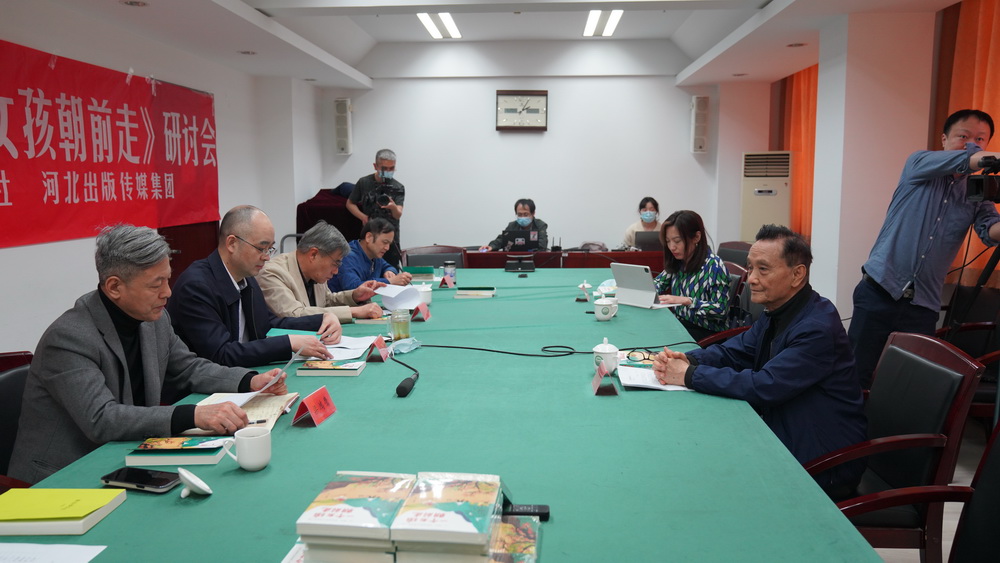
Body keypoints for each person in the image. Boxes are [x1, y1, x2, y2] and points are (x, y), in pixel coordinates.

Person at [8, 225, 288, 484]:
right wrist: (193, 415)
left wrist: (250, 380)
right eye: (156, 285)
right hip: (62, 477)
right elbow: (102, 419)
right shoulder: (69, 337)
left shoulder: (154, 319)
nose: (167, 293)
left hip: (128, 455)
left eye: (167, 279)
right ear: (114, 287)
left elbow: (189, 368)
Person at [651, 224, 867, 498]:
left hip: (822, 460)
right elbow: (735, 352)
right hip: (784, 429)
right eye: (750, 268)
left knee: (704, 475)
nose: (751, 279)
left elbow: (766, 385)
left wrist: (688, 375)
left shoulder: (817, 328)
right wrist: (689, 358)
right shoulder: (776, 311)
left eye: (763, 269)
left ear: (797, 274)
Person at [849, 109, 1000, 388]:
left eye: (980, 139)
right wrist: (985, 158)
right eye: (963, 136)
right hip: (879, 290)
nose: (971, 144)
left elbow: (990, 231)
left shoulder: (978, 192)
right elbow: (966, 159)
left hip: (922, 306)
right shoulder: (919, 163)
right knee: (855, 377)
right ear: (944, 139)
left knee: (908, 386)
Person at [168, 206, 339, 371]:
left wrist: (321, 320)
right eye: (261, 248)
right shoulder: (196, 286)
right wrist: (287, 343)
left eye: (270, 249)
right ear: (232, 243)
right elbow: (221, 355)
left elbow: (267, 324)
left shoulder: (247, 278)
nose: (267, 257)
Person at [257, 220, 385, 322]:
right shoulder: (272, 273)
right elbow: (294, 314)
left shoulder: (315, 272)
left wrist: (354, 296)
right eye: (335, 263)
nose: (336, 271)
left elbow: (326, 301)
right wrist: (353, 311)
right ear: (313, 254)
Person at [653, 210, 730, 342]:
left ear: (696, 237)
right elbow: (658, 284)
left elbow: (721, 310)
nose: (672, 247)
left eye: (677, 241)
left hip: (706, 333)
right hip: (680, 325)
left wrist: (687, 301)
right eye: (668, 241)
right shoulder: (678, 262)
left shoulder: (714, 265)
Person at [347, 148, 405, 268]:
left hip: (390, 239)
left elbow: (398, 214)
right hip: (370, 236)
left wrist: (393, 207)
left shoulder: (398, 187)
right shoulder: (364, 182)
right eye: (384, 168)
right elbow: (350, 203)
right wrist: (363, 217)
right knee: (366, 268)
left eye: (392, 168)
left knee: (391, 270)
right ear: (375, 166)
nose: (388, 171)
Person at [328, 218, 413, 293]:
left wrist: (389, 271)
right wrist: (389, 281)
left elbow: (386, 266)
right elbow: (352, 287)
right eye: (385, 242)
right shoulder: (348, 256)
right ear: (369, 237)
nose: (387, 248)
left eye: (389, 244)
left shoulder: (374, 255)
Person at [479, 198, 549, 251]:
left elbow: (542, 245)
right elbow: (502, 240)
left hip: (533, 258)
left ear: (533, 213)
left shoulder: (540, 225)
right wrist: (491, 246)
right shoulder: (512, 225)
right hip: (514, 258)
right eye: (519, 214)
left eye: (525, 214)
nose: (522, 217)